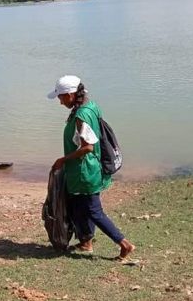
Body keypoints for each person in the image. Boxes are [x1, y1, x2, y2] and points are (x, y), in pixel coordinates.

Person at [48, 75, 135, 260]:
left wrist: (63, 159)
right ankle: (86, 242)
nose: (60, 102)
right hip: (85, 170)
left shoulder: (81, 115)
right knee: (78, 206)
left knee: (94, 211)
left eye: (61, 97)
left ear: (71, 94)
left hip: (85, 172)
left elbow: (88, 146)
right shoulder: (91, 106)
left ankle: (124, 244)